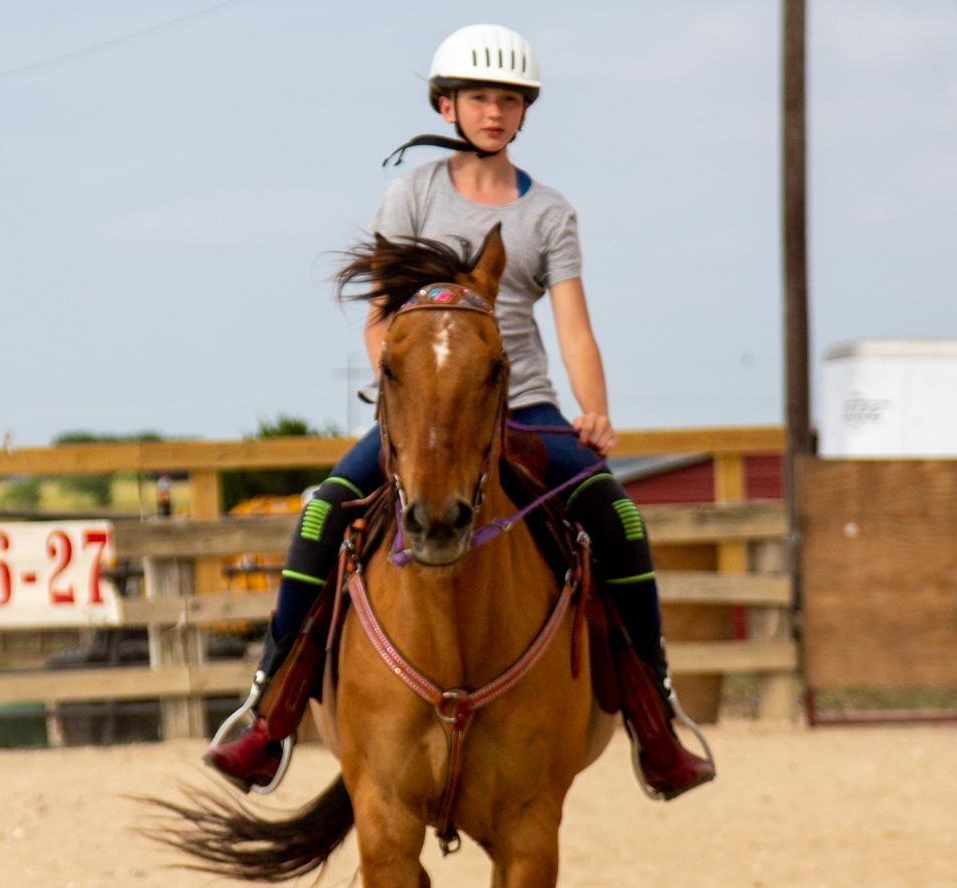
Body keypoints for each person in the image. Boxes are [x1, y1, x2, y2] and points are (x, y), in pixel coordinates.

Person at [206, 23, 713, 800]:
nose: (494, 112)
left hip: (525, 407)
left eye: (509, 100)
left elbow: (573, 326)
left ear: (523, 113)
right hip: (421, 413)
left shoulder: (549, 213)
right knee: (323, 511)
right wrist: (405, 380)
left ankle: (655, 717)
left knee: (618, 517)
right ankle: (269, 714)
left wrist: (595, 411)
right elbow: (380, 318)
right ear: (447, 105)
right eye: (479, 97)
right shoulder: (411, 196)